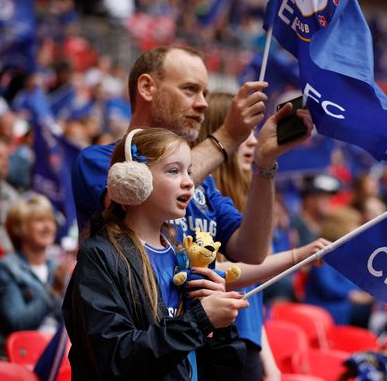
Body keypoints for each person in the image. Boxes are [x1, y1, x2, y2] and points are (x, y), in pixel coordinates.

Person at [72, 46, 312, 267]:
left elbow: (252, 251)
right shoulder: (98, 160)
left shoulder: (203, 182)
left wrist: (265, 164)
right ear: (147, 87)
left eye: (205, 93)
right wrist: (228, 137)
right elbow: (138, 200)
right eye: (190, 89)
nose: (203, 104)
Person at [63, 128, 249, 381]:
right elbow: (116, 359)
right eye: (174, 171)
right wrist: (199, 321)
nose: (189, 182)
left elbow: (221, 375)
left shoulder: (181, 257)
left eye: (189, 171)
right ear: (133, 180)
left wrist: (222, 330)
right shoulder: (100, 256)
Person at [195, 92, 329, 381]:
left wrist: (272, 372)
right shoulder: (200, 207)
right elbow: (219, 273)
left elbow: (253, 305)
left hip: (247, 355)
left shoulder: (245, 210)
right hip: (218, 352)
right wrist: (295, 256)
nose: (254, 142)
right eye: (243, 135)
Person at [0, 195, 70, 339]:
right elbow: (19, 323)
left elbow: (70, 322)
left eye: (51, 220)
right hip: (23, 351)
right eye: (40, 220)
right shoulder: (6, 268)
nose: (48, 226)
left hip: (59, 349)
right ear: (19, 228)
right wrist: (53, 292)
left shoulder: (56, 267)